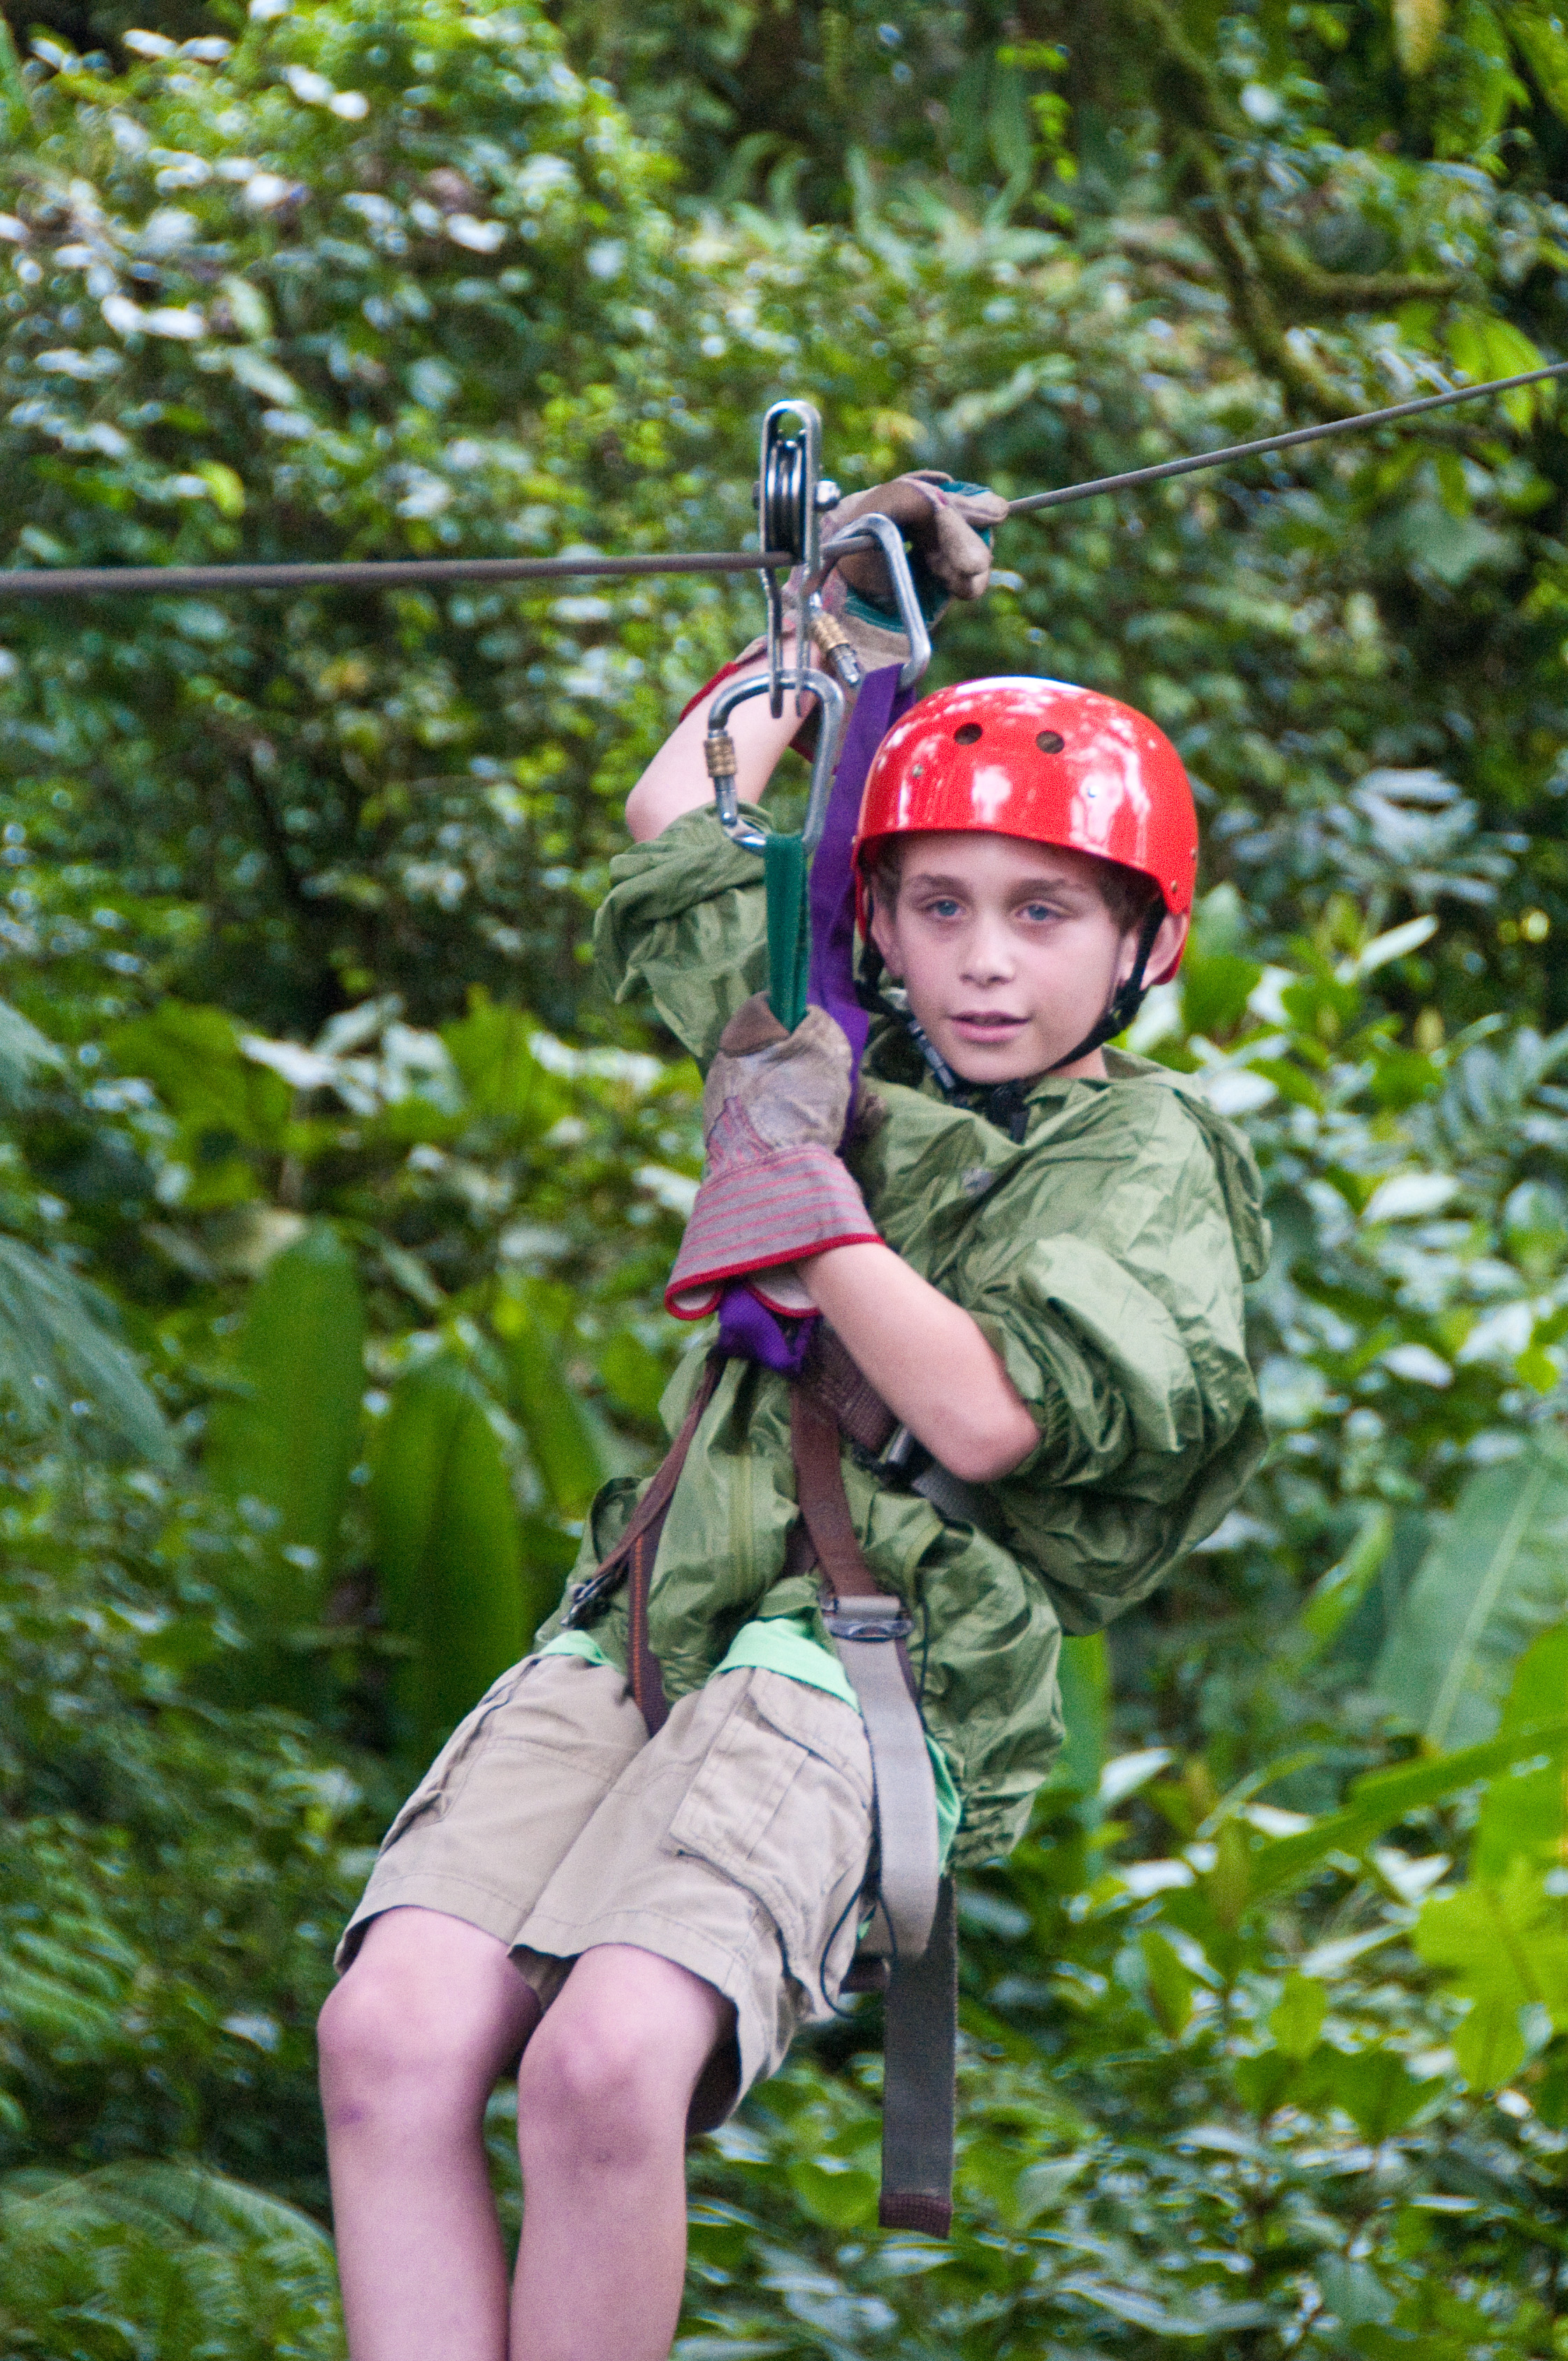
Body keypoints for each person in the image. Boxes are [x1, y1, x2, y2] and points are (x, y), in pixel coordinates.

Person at [315, 478, 1270, 2361]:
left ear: (1141, 946)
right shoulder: (821, 1026)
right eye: (939, 906)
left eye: (1044, 914)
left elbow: (987, 1415)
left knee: (605, 2062)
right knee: (390, 2033)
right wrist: (828, 633)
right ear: (876, 919)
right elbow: (676, 818)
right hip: (662, 1600)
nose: (986, 960)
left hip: (871, 1639)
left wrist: (805, 1202)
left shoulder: (1140, 1150)